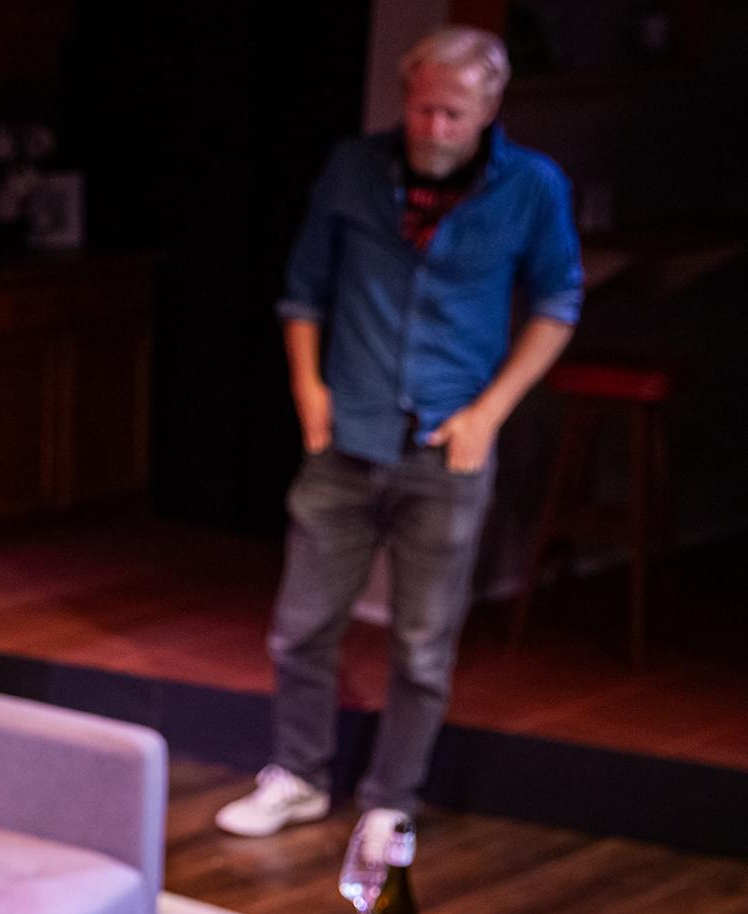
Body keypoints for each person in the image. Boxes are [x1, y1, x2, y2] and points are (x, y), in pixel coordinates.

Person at [217, 26, 583, 842]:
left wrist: (489, 413)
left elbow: (558, 304)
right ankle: (300, 775)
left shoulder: (531, 186)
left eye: (454, 114)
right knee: (301, 628)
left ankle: (391, 801)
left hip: (445, 444)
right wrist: (308, 390)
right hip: (347, 435)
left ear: (488, 110)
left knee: (421, 646)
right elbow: (303, 289)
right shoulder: (356, 169)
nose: (435, 128)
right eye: (423, 110)